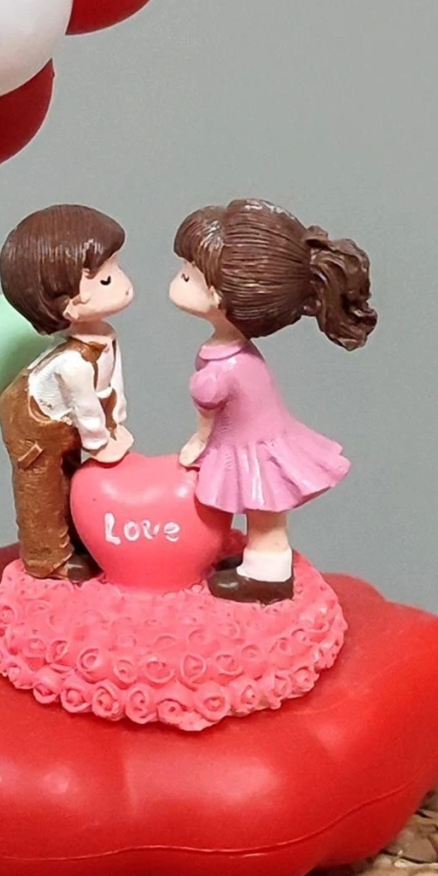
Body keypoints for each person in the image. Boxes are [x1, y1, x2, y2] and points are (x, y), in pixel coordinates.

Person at [170, 199, 376, 602]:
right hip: (252, 440)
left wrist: (199, 438)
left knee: (264, 512)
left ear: (220, 297)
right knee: (260, 511)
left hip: (255, 448)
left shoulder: (229, 365)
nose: (178, 279)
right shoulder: (230, 353)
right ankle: (257, 560)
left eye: (189, 275)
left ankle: (267, 574)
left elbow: (207, 402)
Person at [0, 204, 134, 580]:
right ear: (66, 303)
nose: (123, 284)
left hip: (68, 419)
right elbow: (86, 409)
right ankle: (47, 557)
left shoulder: (105, 336)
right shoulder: (72, 363)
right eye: (104, 281)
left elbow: (112, 387)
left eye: (115, 269)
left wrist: (117, 420)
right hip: (34, 422)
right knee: (42, 487)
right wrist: (99, 442)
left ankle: (79, 538)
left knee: (74, 476)